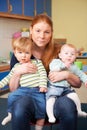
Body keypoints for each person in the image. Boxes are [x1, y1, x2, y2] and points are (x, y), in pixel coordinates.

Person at [9, 14, 81, 130]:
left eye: (46, 32)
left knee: (68, 107)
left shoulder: (61, 51)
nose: (42, 36)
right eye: (38, 31)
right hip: (30, 97)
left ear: (52, 33)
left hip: (57, 96)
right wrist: (17, 73)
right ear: (31, 30)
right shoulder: (21, 52)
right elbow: (13, 89)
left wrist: (66, 74)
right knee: (18, 108)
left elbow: (78, 83)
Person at [0, 37, 47, 130]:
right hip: (23, 89)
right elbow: (8, 78)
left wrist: (43, 85)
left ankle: (40, 123)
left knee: (42, 103)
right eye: (20, 53)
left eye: (27, 53)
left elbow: (43, 74)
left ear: (31, 53)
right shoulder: (16, 67)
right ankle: (10, 114)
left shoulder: (37, 63)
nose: (23, 56)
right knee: (11, 96)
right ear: (15, 54)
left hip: (37, 90)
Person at [46, 43, 87, 123]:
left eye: (72, 54)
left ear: (75, 57)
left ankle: (79, 111)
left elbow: (81, 74)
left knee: (75, 96)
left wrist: (86, 80)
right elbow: (53, 68)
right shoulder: (56, 62)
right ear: (60, 55)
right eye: (66, 53)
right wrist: (64, 66)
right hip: (54, 87)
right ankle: (50, 116)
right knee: (50, 100)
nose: (69, 56)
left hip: (66, 89)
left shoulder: (74, 67)